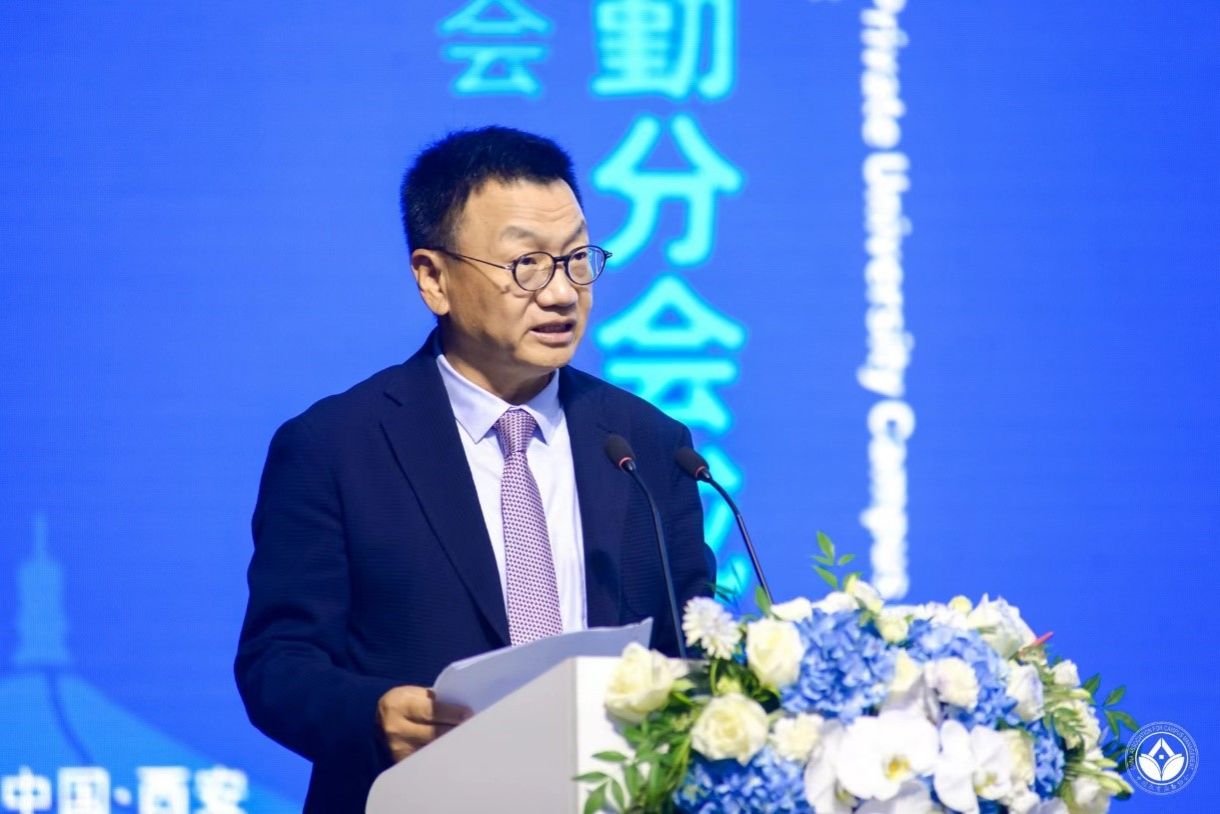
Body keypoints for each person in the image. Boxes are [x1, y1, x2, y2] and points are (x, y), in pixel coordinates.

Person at [234, 126, 713, 811]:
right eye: (527, 265)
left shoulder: (647, 444)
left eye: (577, 258)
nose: (562, 293)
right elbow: (277, 664)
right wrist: (372, 713)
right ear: (434, 278)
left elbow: (690, 647)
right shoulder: (335, 447)